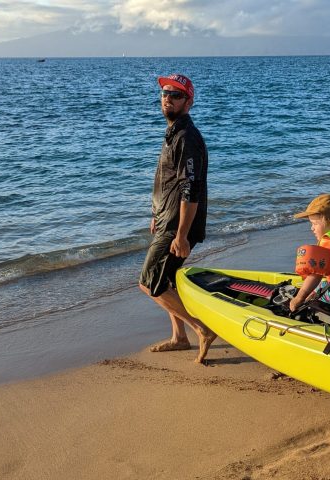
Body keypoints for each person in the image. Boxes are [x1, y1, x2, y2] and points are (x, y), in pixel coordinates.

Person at [138, 73, 216, 364]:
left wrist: (181, 234)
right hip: (167, 218)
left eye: (175, 95)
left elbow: (190, 187)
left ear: (189, 101)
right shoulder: (173, 132)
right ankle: (179, 337)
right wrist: (157, 213)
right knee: (166, 279)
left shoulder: (187, 137)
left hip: (178, 225)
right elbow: (168, 181)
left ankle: (201, 330)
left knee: (149, 282)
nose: (167, 98)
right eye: (164, 94)